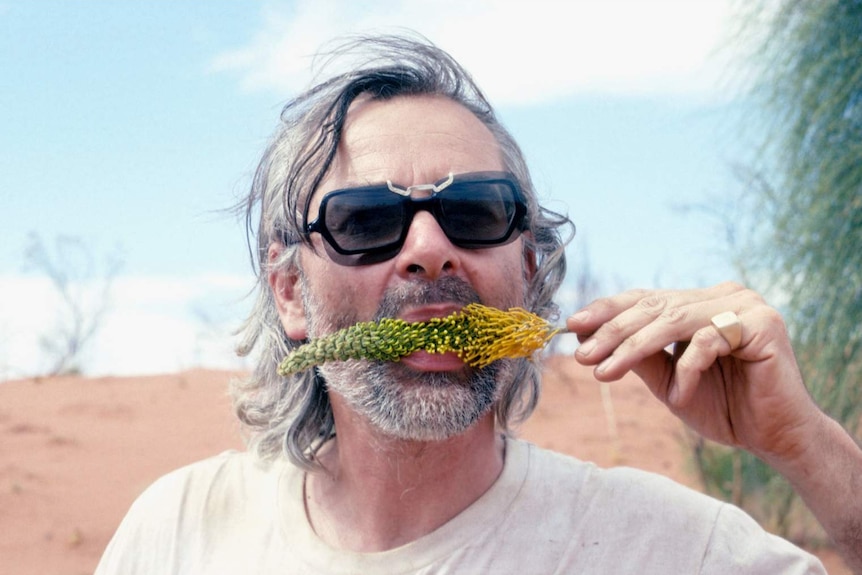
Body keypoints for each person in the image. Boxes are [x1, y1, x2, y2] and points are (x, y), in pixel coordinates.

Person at [95, 34, 862, 574]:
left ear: (527, 270)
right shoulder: (178, 531)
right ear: (291, 294)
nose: (429, 247)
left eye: (476, 212)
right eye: (365, 221)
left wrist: (806, 445)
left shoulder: (676, 550)